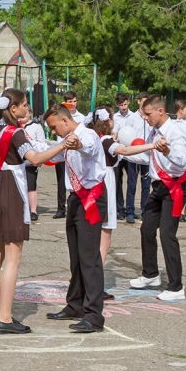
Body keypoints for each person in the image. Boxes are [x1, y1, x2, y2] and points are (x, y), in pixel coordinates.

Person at [0, 89, 69, 333]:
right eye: (24, 104)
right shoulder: (16, 132)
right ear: (13, 109)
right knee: (13, 257)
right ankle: (5, 318)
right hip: (12, 189)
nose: (27, 108)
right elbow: (36, 159)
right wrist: (62, 145)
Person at [43, 102, 109, 332]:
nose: (53, 131)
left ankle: (94, 315)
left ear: (64, 120)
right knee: (76, 256)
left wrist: (77, 144)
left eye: (54, 127)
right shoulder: (66, 139)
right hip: (75, 198)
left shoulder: (86, 135)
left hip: (91, 198)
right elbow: (54, 154)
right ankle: (75, 304)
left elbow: (87, 147)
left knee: (89, 257)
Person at [117, 95, 186, 300]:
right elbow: (147, 157)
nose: (146, 118)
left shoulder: (175, 132)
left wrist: (166, 151)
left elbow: (181, 162)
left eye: (148, 114)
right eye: (143, 114)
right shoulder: (154, 132)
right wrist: (121, 153)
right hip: (158, 188)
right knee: (147, 229)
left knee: (167, 235)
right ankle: (151, 275)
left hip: (174, 188)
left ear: (160, 111)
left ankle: (176, 287)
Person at [88, 108, 121, 273]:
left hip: (94, 179)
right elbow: (123, 151)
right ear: (108, 121)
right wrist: (149, 146)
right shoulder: (106, 140)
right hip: (106, 180)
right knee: (105, 232)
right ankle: (97, 273)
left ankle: (91, 271)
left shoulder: (92, 138)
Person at [53, 91, 85, 219]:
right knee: (61, 181)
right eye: (70, 102)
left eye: (74, 101)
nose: (73, 104)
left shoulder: (81, 117)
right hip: (61, 151)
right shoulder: (59, 115)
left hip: (75, 152)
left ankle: (79, 204)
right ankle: (61, 208)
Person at [113, 93, 144, 223]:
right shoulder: (115, 117)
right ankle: (120, 209)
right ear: (117, 105)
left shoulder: (133, 116)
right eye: (121, 105)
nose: (124, 107)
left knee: (131, 181)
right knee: (117, 181)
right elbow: (114, 132)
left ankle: (130, 209)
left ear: (128, 103)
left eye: (125, 104)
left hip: (131, 153)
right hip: (118, 152)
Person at [22, 107, 46, 220]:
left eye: (26, 112)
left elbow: (41, 144)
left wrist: (39, 159)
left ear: (30, 113)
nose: (24, 115)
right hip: (18, 162)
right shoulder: (15, 126)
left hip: (31, 162)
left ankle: (33, 211)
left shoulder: (36, 127)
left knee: (31, 187)